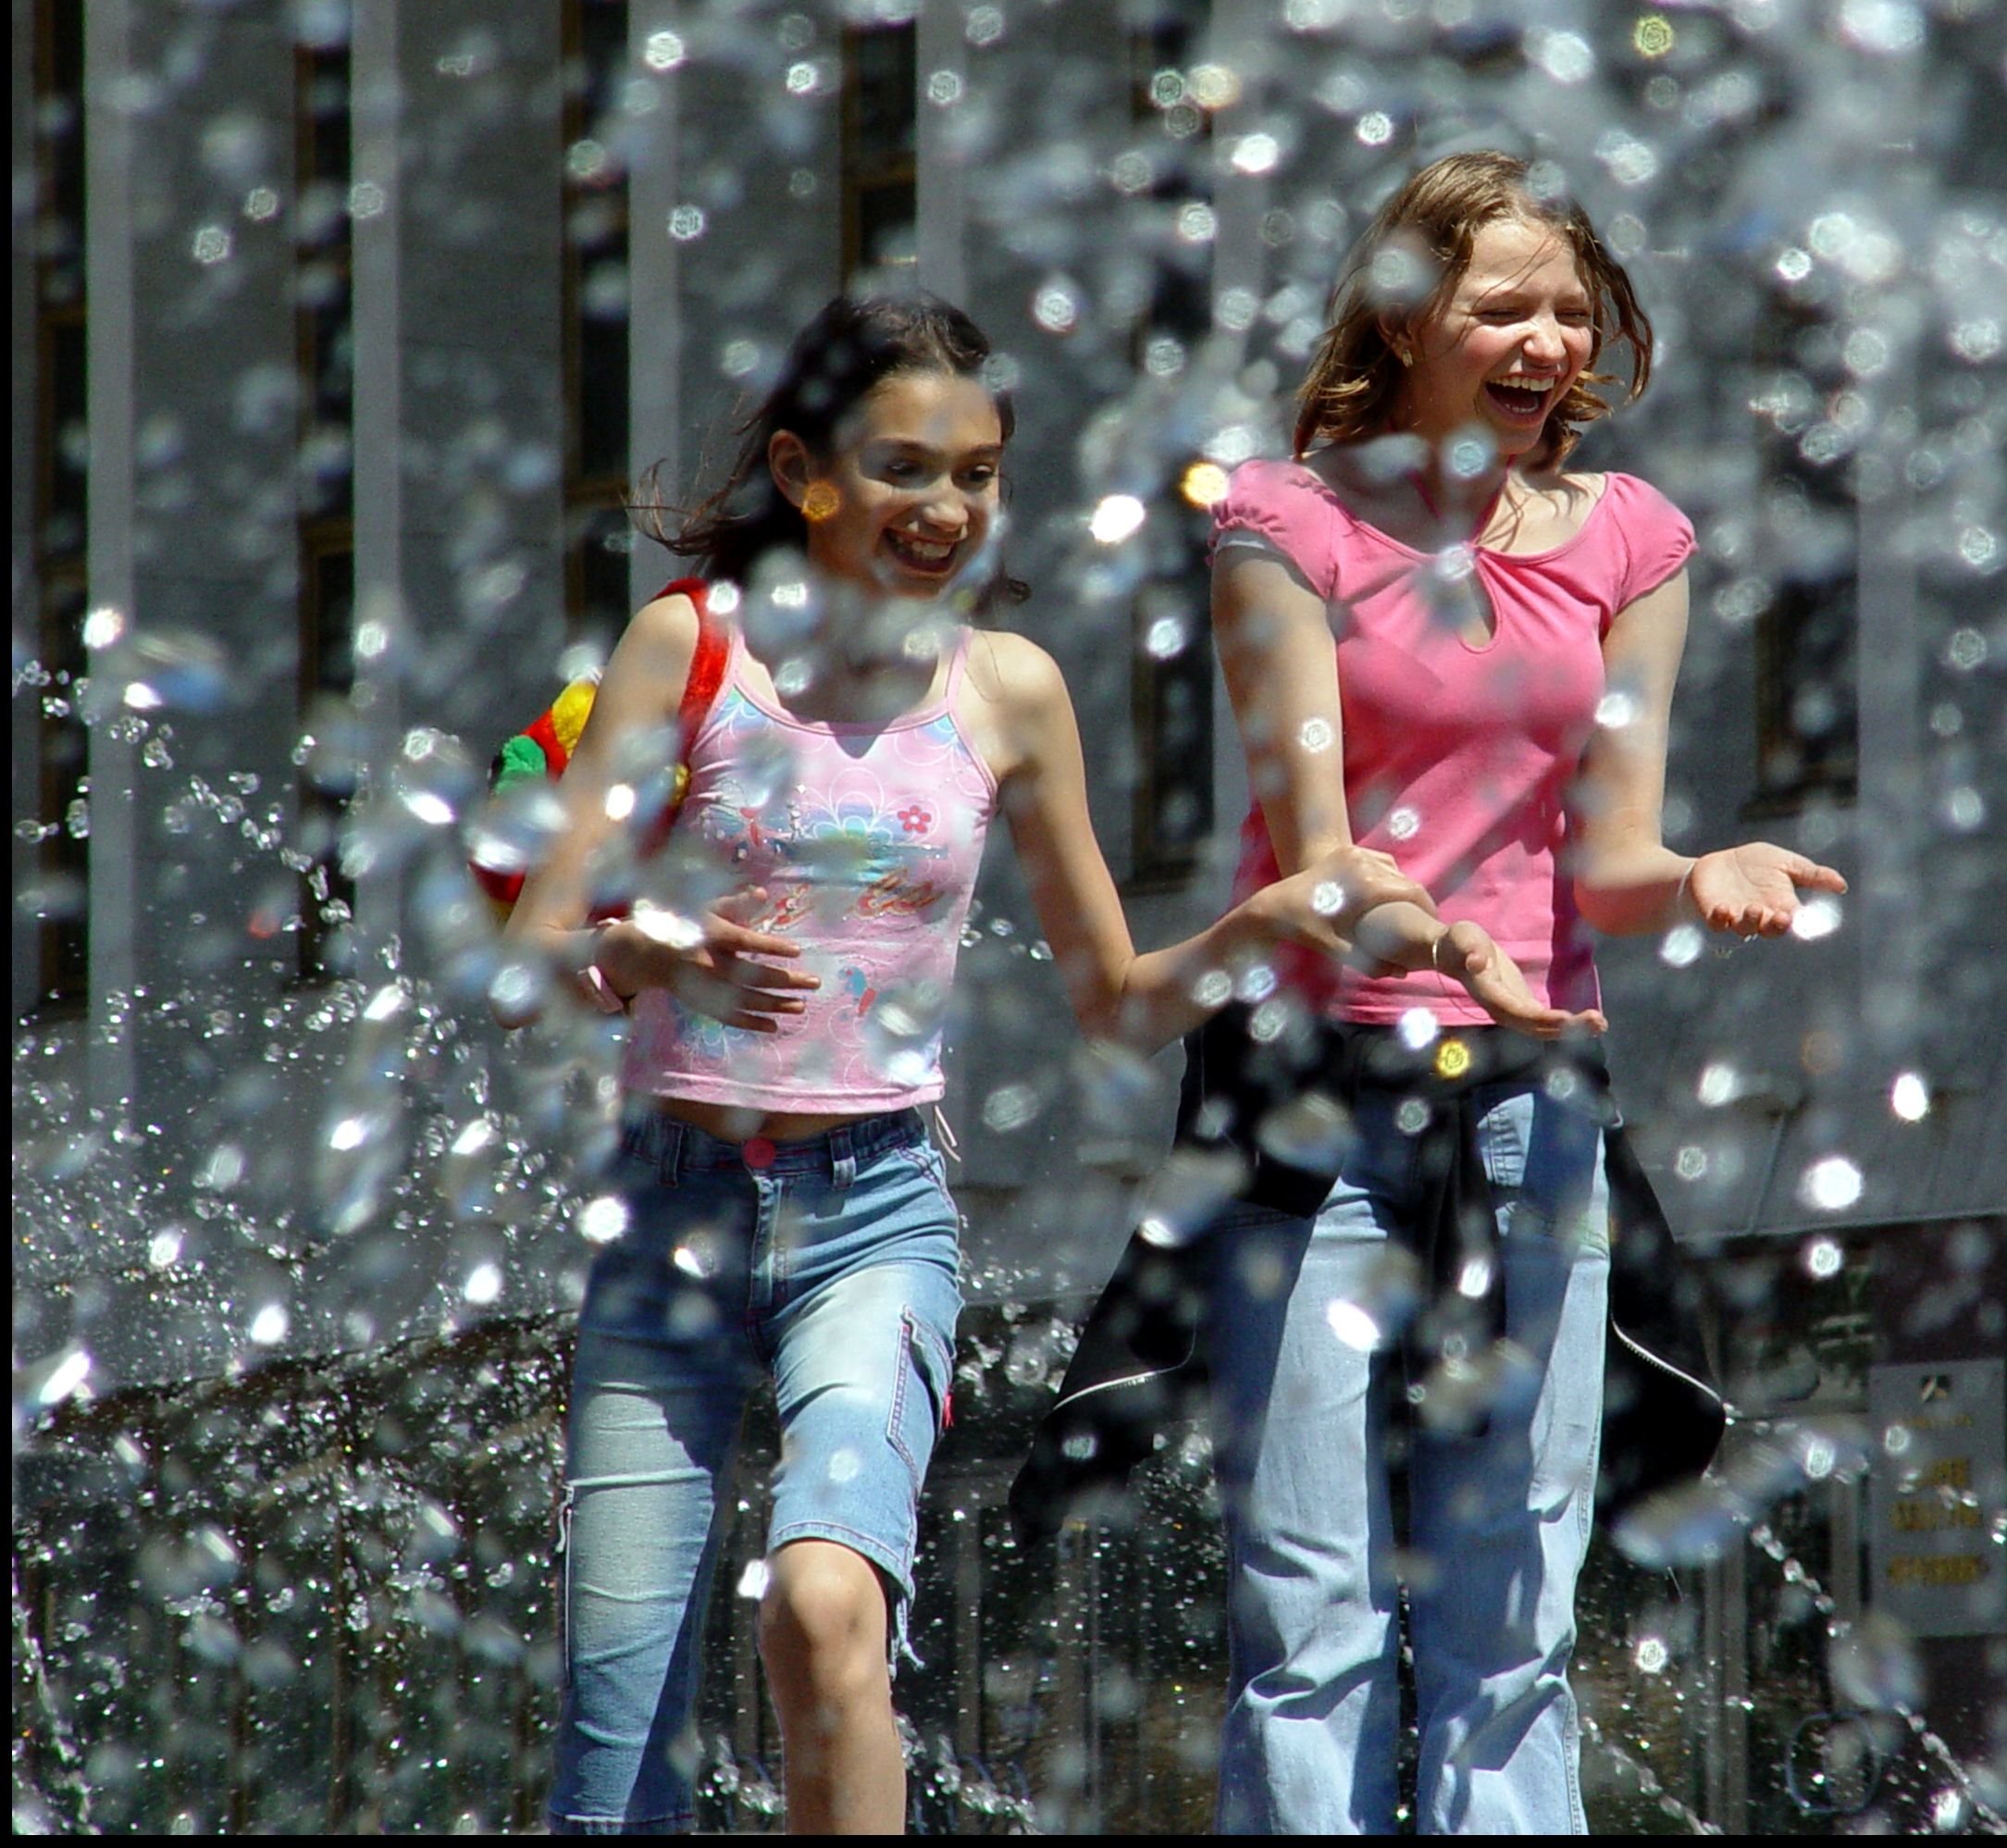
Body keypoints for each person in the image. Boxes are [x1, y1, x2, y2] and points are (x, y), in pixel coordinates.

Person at [495, 291, 1525, 1834]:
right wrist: (648, 947)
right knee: (614, 1740)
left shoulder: (1008, 691)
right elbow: (543, 932)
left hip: (873, 1218)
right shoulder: (689, 650)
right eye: (906, 469)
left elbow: (1119, 997)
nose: (950, 510)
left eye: (978, 474)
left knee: (825, 1609)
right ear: (802, 469)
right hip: (669, 1217)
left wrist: (1281, 919)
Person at [1015, 152, 1848, 1832]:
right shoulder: (1288, 521)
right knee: (1313, 1604)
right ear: (1408, 325)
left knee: (1512, 1608)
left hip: (1535, 1105)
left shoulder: (1630, 541)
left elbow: (1607, 858)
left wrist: (1697, 876)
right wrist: (1406, 925)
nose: (1545, 340)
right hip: (1315, 1101)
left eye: (1569, 310)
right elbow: (1319, 862)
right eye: (1502, 306)